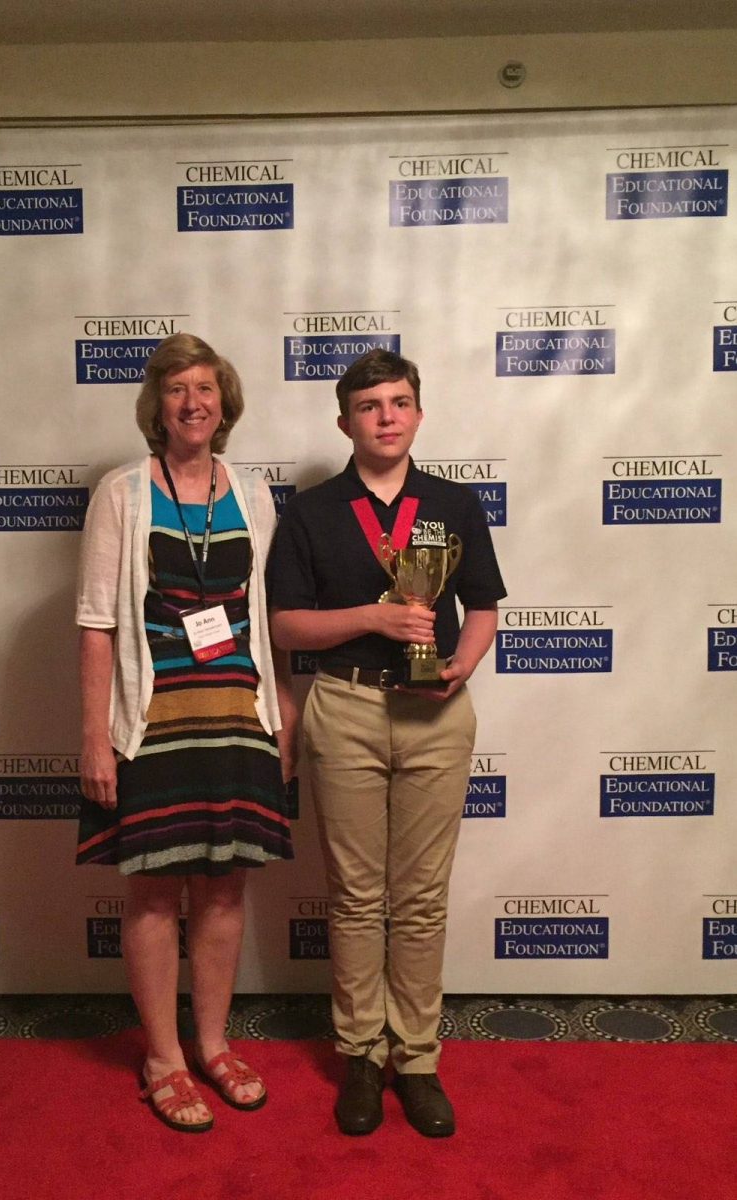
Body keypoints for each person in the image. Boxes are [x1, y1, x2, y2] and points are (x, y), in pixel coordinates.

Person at [266, 348, 505, 1138]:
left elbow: (483, 607)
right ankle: (361, 1055)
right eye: (370, 405)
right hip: (346, 707)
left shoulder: (455, 503)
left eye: (400, 402)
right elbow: (286, 624)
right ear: (345, 421)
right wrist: (375, 618)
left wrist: (461, 666)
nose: (387, 416)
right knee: (358, 896)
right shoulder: (309, 511)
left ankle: (419, 1060)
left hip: (437, 715)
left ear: (419, 413)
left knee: (423, 897)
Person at [76, 333, 297, 1133]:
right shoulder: (123, 492)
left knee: (227, 888)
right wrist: (95, 737)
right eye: (176, 390)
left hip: (237, 717)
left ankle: (212, 1044)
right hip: (152, 722)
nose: (193, 401)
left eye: (205, 388)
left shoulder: (253, 492)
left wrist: (282, 709)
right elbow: (97, 623)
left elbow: (262, 619)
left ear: (224, 403)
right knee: (152, 889)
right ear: (156, 406)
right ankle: (163, 1058)